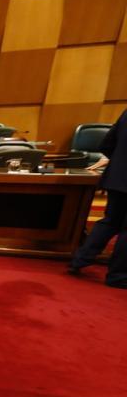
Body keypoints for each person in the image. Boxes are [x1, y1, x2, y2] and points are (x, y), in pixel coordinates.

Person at [68, 108, 127, 289]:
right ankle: (119, 276)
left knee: (110, 220)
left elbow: (107, 144)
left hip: (117, 176)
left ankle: (79, 260)